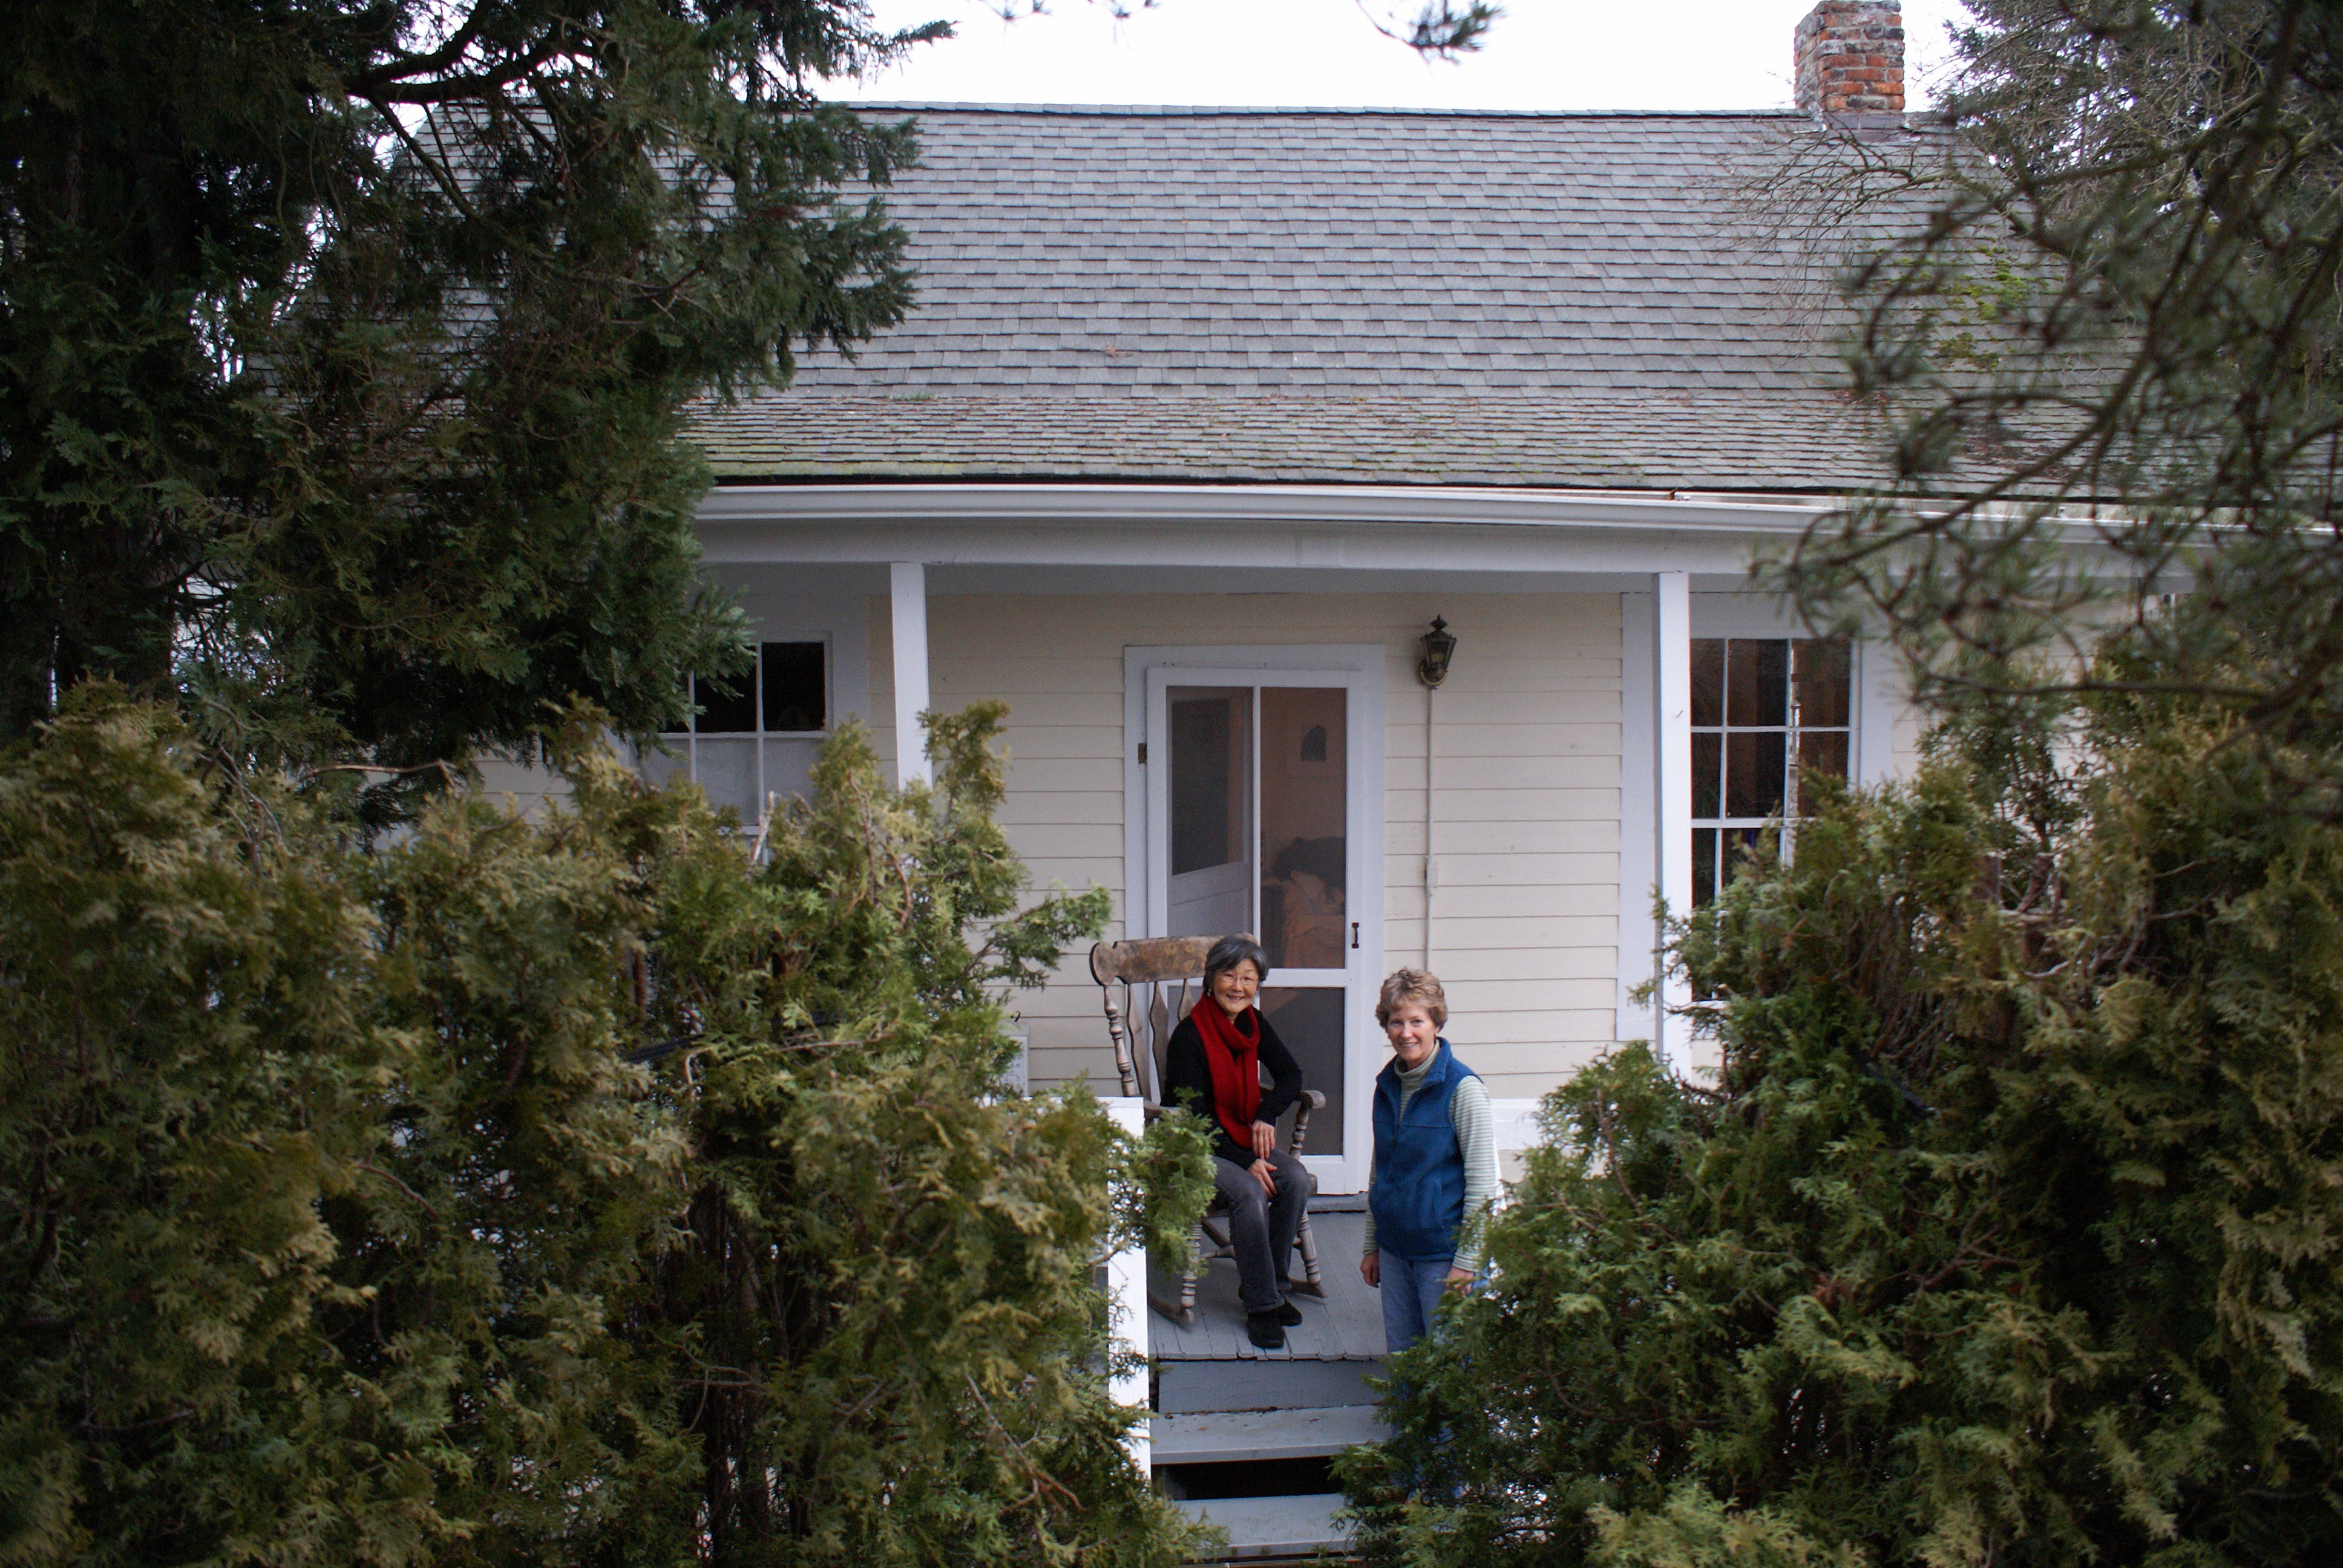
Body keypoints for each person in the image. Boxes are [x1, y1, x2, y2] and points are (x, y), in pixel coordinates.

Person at [1162, 933, 1310, 1350]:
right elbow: (1197, 1120)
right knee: (1250, 1192)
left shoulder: (1254, 1025)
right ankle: (1262, 1305)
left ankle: (1274, 1285)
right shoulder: (1190, 1037)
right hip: (1194, 1145)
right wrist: (1247, 1159)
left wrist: (1266, 1114)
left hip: (1240, 1135)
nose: (1239, 987)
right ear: (1211, 980)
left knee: (1294, 1177)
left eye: (1249, 978)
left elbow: (1291, 1075)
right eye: (1230, 975)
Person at [1361, 968, 1498, 1354]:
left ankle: (1454, 1421)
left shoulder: (1463, 1089)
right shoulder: (1387, 1084)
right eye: (1396, 1022)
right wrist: (1372, 1245)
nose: (1406, 1033)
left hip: (1443, 1255)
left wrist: (1467, 1263)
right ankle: (1406, 1418)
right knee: (1404, 1357)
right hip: (1394, 1250)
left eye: (1417, 1021)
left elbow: (1483, 1184)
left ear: (1436, 1022)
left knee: (1450, 1364)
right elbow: (1380, 1171)